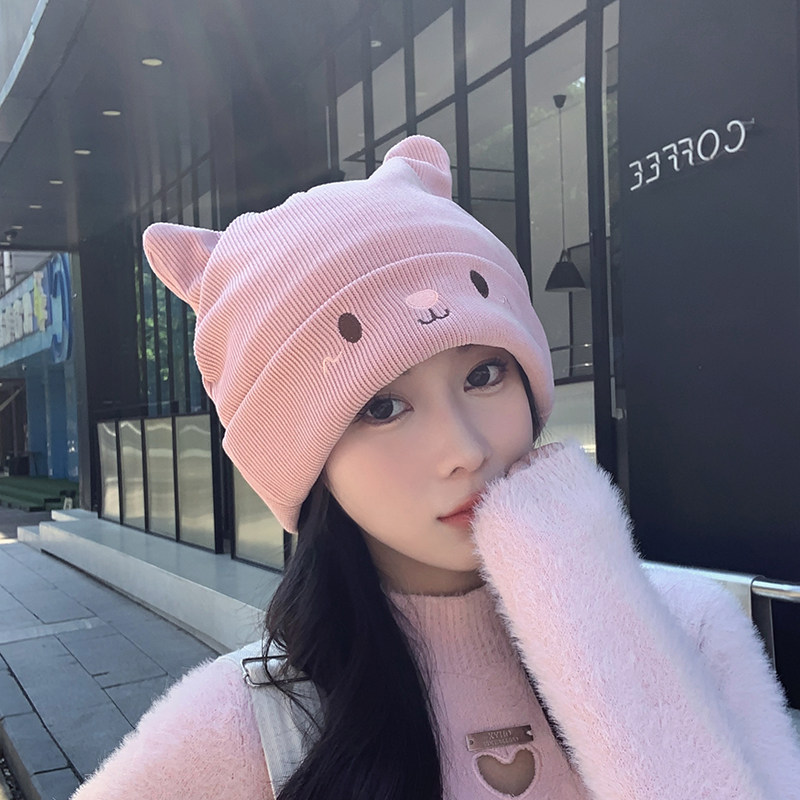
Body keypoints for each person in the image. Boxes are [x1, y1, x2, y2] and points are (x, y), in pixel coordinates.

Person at [71, 136, 800, 800]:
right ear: (302, 462)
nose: (465, 449)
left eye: (484, 374)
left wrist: (600, 621)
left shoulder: (688, 628)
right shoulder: (247, 726)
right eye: (382, 407)